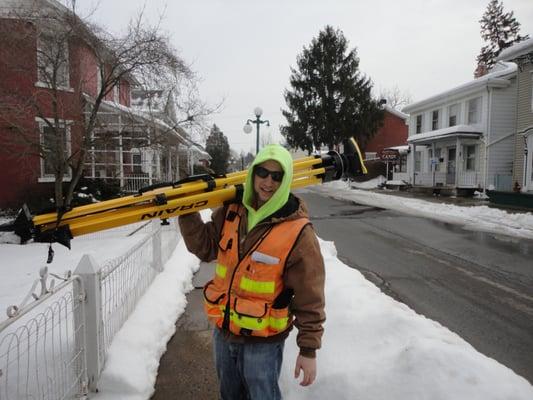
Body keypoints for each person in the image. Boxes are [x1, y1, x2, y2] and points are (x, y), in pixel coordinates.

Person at [178, 144, 325, 400]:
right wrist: (186, 207)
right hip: (224, 333)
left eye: (277, 176)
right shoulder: (232, 212)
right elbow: (205, 247)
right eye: (263, 173)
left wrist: (308, 350)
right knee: (229, 395)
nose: (268, 181)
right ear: (253, 174)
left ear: (286, 179)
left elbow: (310, 297)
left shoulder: (299, 232)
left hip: (263, 342)